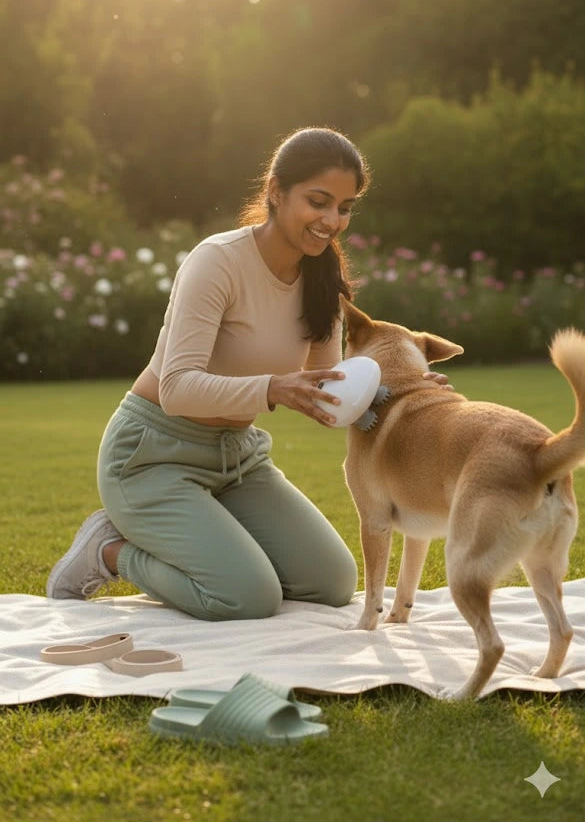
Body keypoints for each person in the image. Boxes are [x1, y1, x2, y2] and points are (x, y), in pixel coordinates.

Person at [47, 127, 450, 620]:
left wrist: (403, 393)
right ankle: (108, 550)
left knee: (331, 582)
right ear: (276, 192)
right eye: (318, 201)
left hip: (237, 461)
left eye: (344, 208)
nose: (332, 220)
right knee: (247, 596)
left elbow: (328, 392)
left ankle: (221, 550)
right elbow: (175, 389)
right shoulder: (217, 261)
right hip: (152, 456)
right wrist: (273, 389)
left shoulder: (323, 281)